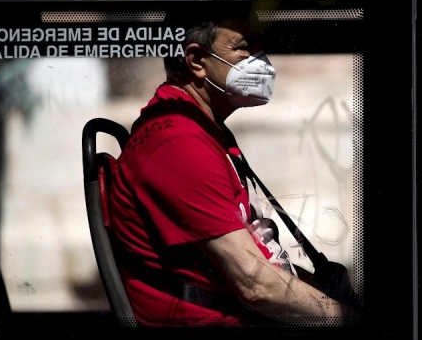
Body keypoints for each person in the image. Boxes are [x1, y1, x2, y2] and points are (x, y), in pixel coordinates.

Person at [109, 18, 355, 327]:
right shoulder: (177, 143)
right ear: (197, 61)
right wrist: (347, 319)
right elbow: (254, 285)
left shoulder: (203, 129)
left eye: (261, 48)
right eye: (244, 48)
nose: (262, 62)